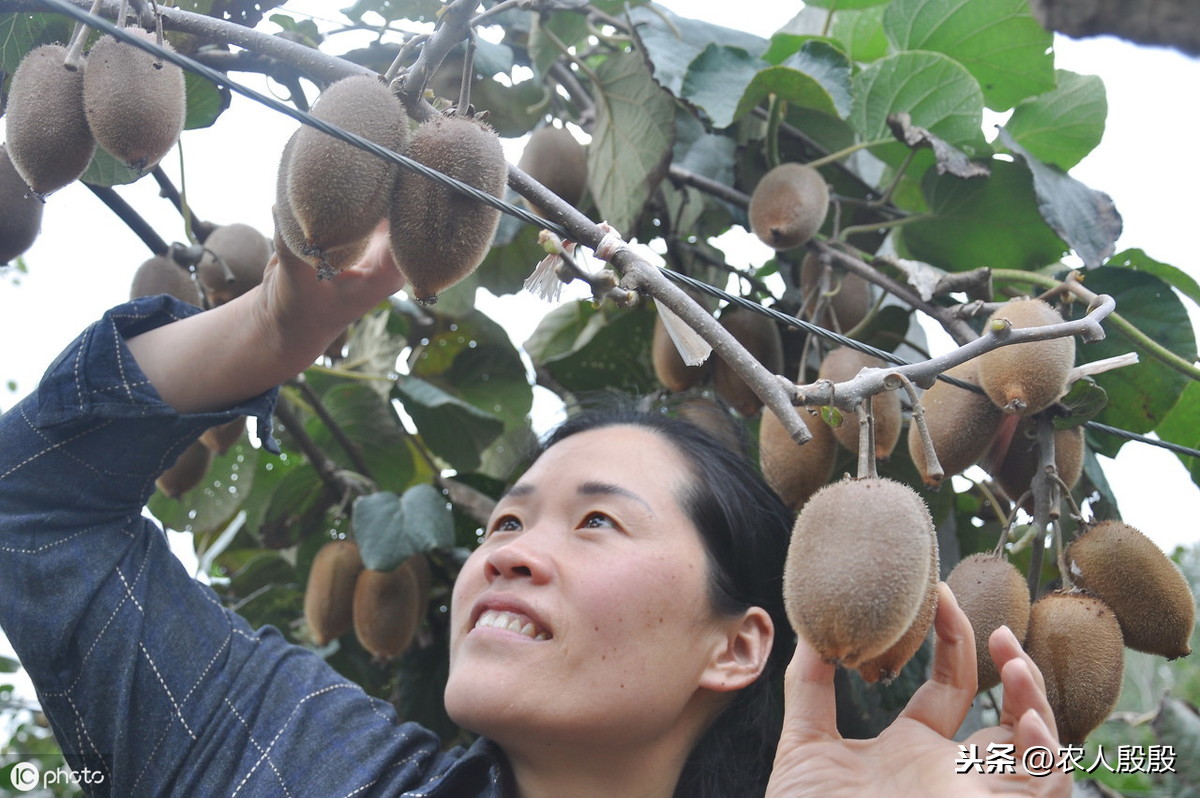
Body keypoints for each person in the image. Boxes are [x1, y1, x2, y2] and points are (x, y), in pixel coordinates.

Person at [0, 227, 1070, 797]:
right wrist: (269, 327)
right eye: (504, 524)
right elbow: (29, 511)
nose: (507, 556)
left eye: (596, 522)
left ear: (740, 645)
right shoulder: (301, 760)